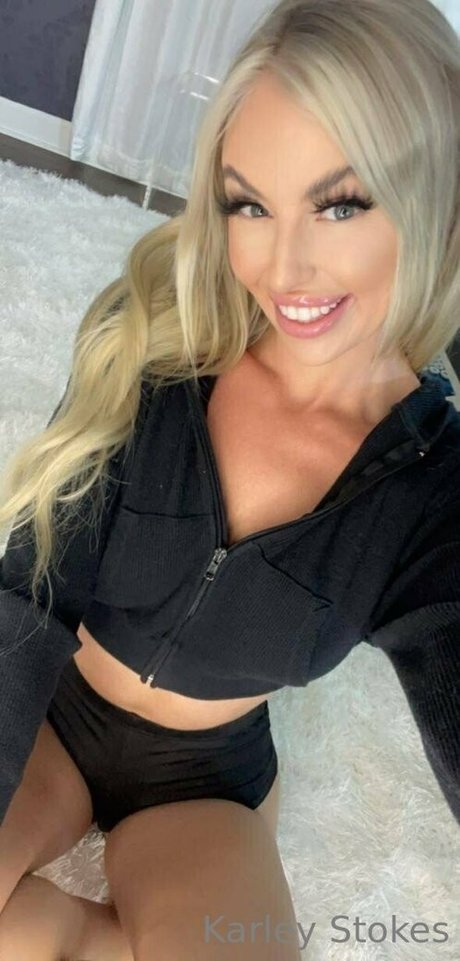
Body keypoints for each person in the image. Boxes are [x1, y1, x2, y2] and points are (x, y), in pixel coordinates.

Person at [0, 0, 459, 957]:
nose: (283, 267)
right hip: (53, 705)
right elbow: (27, 590)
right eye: (249, 204)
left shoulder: (433, 488)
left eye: (341, 203)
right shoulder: (153, 340)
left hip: (205, 778)